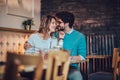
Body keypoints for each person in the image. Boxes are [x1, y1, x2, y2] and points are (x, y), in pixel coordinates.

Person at [55, 11, 86, 80]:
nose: (57, 24)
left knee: (77, 78)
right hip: (54, 67)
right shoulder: (55, 34)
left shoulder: (80, 36)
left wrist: (67, 59)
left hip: (71, 68)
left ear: (67, 23)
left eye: (59, 22)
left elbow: (82, 57)